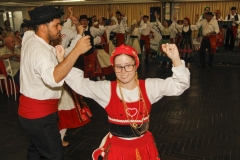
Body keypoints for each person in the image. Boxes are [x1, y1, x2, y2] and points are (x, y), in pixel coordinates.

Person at [55, 43, 190, 160]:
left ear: (136, 65)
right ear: (113, 68)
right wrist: (63, 61)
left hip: (144, 146)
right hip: (118, 148)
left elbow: (180, 85)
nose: (123, 71)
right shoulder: (107, 89)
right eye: (118, 67)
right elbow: (80, 83)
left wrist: (176, 59)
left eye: (128, 66)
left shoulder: (149, 87)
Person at [18, 5, 91, 160]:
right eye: (56, 25)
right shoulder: (40, 52)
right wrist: (77, 50)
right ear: (43, 27)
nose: (60, 28)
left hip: (30, 113)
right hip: (40, 116)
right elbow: (54, 78)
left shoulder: (30, 36)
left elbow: (30, 34)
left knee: (36, 151)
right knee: (55, 156)